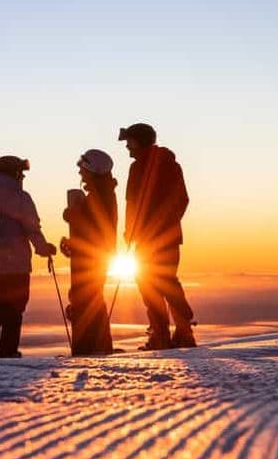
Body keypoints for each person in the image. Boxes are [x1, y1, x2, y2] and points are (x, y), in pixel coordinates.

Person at [0, 156, 57, 358]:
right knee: (14, 309)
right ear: (15, 174)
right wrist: (44, 249)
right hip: (18, 266)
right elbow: (32, 229)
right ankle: (8, 351)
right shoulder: (23, 199)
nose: (23, 176)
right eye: (21, 173)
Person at [119, 123, 197, 349]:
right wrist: (130, 231)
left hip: (158, 237)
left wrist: (156, 226)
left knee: (160, 282)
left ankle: (177, 332)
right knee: (151, 283)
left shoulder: (164, 166)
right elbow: (132, 204)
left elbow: (179, 199)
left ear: (139, 141)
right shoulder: (141, 168)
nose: (127, 147)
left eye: (129, 142)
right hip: (151, 237)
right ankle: (166, 333)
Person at [60, 149, 118, 355]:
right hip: (96, 256)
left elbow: (96, 230)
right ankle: (97, 346)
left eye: (83, 169)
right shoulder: (100, 194)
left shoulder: (99, 197)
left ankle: (89, 348)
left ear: (92, 170)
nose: (80, 174)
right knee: (89, 298)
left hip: (93, 258)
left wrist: (74, 217)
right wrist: (74, 244)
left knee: (87, 300)